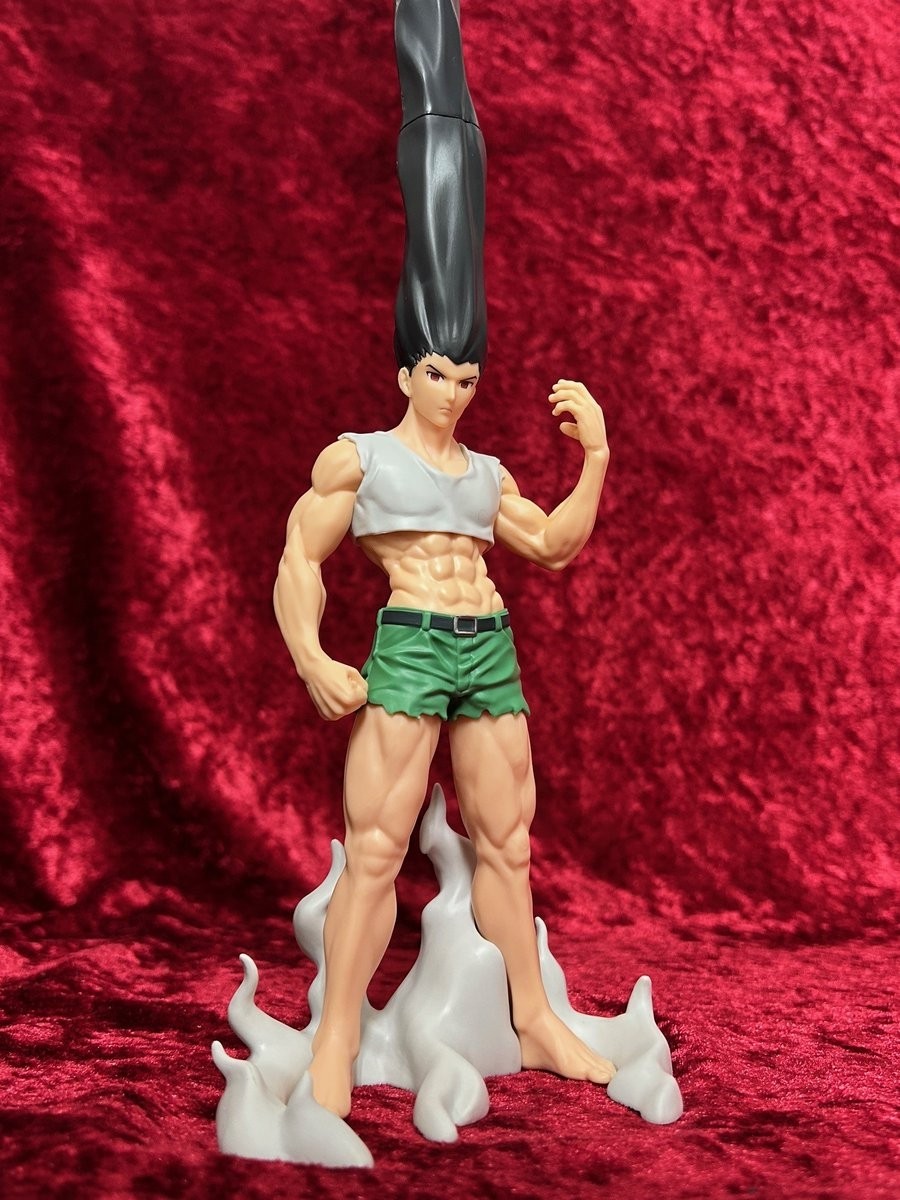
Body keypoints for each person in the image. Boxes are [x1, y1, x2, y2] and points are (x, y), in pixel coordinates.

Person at [273, 0, 613, 1119]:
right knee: (376, 849)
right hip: (413, 644)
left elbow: (551, 548)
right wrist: (314, 656)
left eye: (468, 377)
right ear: (404, 371)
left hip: (490, 648)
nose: (455, 392)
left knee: (508, 843)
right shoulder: (360, 458)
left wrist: (595, 457)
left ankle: (535, 1018)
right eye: (437, 373)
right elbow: (299, 556)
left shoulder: (486, 474)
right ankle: (335, 1039)